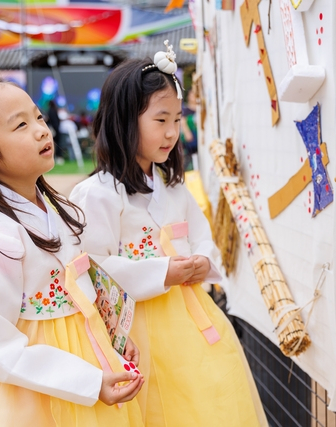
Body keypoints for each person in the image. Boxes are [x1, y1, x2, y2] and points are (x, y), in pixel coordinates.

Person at [0, 78, 145, 427]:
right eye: (21, 125)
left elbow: (80, 284)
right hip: (26, 394)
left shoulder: (55, 207)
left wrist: (110, 339)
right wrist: (88, 380)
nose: (41, 130)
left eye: (38, 117)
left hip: (81, 367)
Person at [70, 47, 268, 427]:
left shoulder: (172, 186)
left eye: (177, 119)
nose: (172, 132)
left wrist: (202, 261)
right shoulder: (98, 194)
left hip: (192, 321)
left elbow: (202, 236)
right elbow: (93, 267)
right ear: (125, 120)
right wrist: (164, 272)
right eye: (161, 119)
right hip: (138, 331)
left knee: (205, 403)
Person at [180, 88, 199, 171]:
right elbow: (182, 122)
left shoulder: (200, 109)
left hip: (198, 139)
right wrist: (187, 132)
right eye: (191, 94)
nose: (193, 97)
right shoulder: (185, 110)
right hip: (189, 142)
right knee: (189, 165)